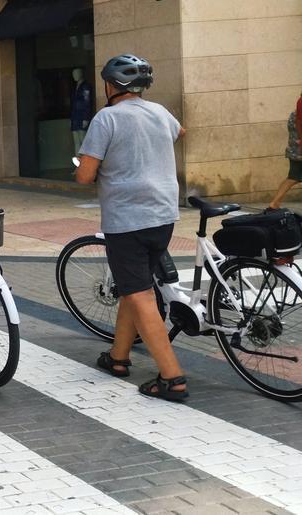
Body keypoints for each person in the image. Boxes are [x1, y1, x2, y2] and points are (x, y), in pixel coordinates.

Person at [75, 54, 188, 402]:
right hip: (164, 214)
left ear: (110, 85)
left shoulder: (106, 118)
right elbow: (180, 131)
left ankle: (172, 377)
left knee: (140, 295)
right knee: (133, 286)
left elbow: (85, 175)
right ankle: (118, 358)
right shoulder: (161, 113)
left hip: (128, 219)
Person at [269, 91, 302, 209]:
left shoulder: (294, 114)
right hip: (299, 152)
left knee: (293, 177)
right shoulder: (297, 114)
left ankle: (275, 203)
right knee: (293, 177)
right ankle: (274, 202)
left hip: (296, 151)